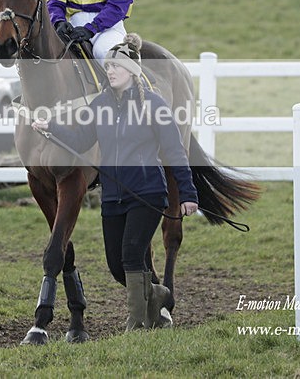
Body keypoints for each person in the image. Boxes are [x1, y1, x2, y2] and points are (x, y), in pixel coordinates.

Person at [31, 34, 199, 331]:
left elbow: (175, 152)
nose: (109, 72)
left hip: (148, 193)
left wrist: (187, 194)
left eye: (116, 68)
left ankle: (135, 324)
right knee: (116, 265)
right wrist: (51, 128)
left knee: (133, 255)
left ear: (132, 73)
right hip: (113, 197)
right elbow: (82, 138)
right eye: (108, 68)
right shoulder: (101, 105)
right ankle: (159, 294)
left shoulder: (155, 106)